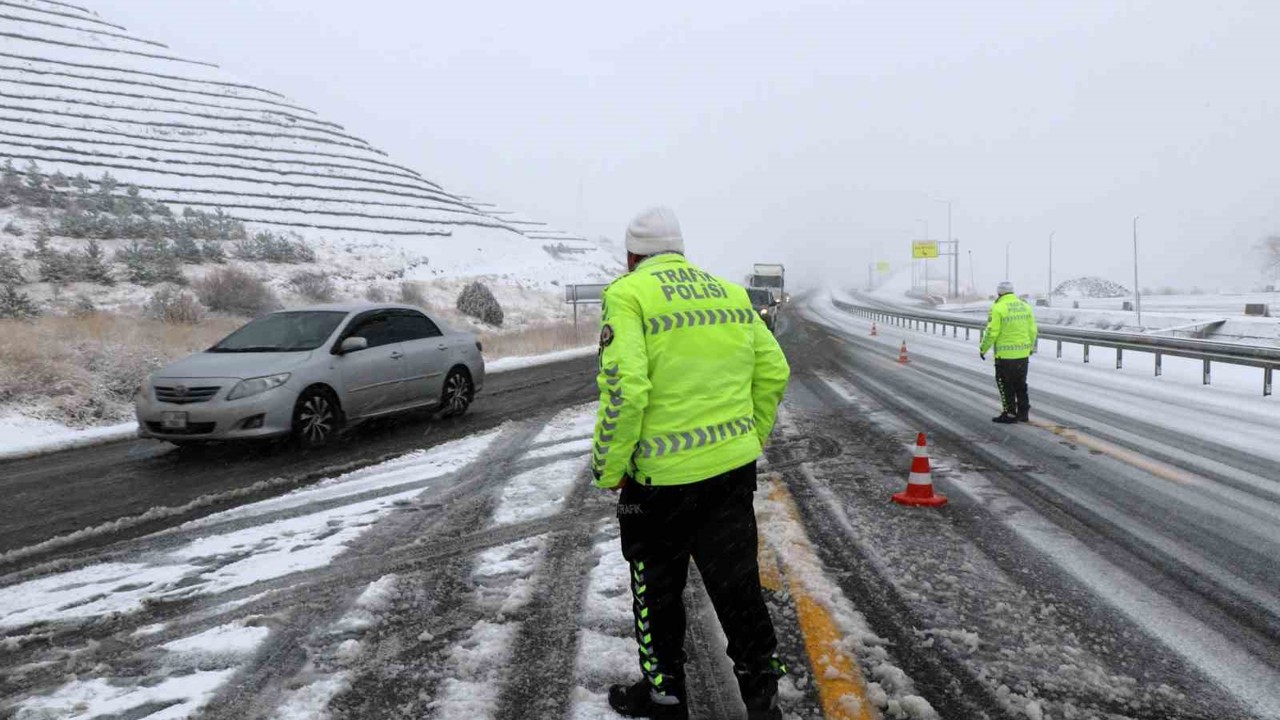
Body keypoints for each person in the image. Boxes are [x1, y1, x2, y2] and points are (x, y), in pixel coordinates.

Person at [591, 206, 791, 720]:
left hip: (658, 490)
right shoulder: (729, 293)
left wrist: (608, 467)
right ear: (679, 249)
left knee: (656, 597)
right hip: (729, 479)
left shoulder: (628, 293)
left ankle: (665, 699)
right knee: (739, 590)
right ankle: (762, 697)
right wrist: (748, 439)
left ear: (633, 255)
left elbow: (626, 391)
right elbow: (774, 372)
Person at [979, 280, 1039, 423]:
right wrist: (1030, 348)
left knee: (1005, 384)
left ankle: (1010, 413)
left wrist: (983, 348)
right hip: (1022, 354)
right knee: (1021, 384)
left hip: (1005, 356)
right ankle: (1023, 413)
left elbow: (992, 331)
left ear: (999, 293)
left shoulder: (998, 307)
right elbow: (1033, 330)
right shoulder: (1025, 306)